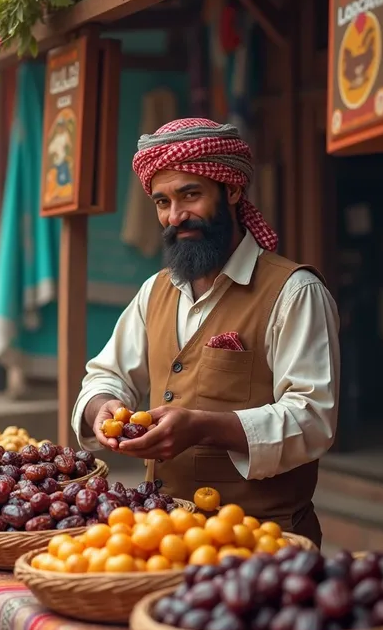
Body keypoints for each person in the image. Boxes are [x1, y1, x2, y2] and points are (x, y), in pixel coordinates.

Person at [72, 118, 340, 546]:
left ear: (232, 191)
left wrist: (204, 427)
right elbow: (105, 376)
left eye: (190, 195)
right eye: (162, 202)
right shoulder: (154, 291)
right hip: (164, 537)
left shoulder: (294, 292)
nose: (175, 216)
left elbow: (313, 419)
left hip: (264, 541)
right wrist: (101, 408)